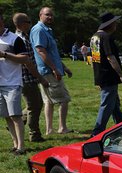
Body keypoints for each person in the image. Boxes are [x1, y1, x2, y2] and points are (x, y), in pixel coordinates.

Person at [30, 7, 73, 135]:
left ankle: (49, 129)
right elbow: (41, 51)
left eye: (51, 15)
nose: (50, 17)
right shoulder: (39, 30)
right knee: (64, 99)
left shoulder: (46, 30)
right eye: (47, 15)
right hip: (48, 71)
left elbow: (52, 53)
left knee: (48, 101)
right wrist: (55, 69)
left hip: (48, 70)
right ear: (40, 15)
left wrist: (64, 67)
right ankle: (62, 127)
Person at [90, 12, 122, 137]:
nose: (116, 24)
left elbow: (95, 59)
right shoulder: (106, 37)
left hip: (101, 75)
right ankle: (97, 132)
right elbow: (110, 57)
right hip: (109, 76)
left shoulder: (94, 37)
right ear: (110, 24)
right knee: (106, 105)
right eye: (115, 22)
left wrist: (97, 77)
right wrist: (121, 75)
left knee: (114, 104)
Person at [13, 13, 49, 143]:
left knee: (33, 104)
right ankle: (34, 134)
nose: (30, 24)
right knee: (35, 106)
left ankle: (18, 122)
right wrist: (40, 78)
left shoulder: (22, 37)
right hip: (26, 78)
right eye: (28, 21)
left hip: (25, 78)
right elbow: (27, 63)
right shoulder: (21, 39)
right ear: (22, 24)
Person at [0, 13, 30, 154]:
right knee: (7, 116)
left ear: (2, 22)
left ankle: (21, 147)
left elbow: (24, 58)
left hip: (12, 82)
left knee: (15, 115)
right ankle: (15, 144)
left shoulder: (14, 39)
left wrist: (5, 55)